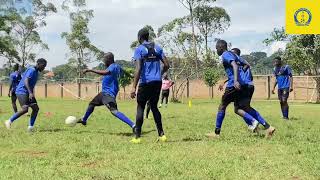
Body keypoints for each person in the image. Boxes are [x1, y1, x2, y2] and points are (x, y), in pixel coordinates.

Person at [206, 40, 274, 138]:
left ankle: (217, 133)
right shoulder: (236, 56)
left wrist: (235, 80)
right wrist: (240, 76)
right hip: (242, 86)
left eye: (217, 48)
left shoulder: (226, 54)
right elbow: (246, 64)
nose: (216, 50)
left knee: (222, 106)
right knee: (242, 108)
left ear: (221, 47)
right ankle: (268, 127)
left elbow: (234, 65)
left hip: (233, 85)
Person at [77, 52, 136, 131]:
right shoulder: (117, 66)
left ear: (109, 59)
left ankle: (133, 125)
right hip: (104, 93)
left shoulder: (112, 66)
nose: (104, 62)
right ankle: (84, 120)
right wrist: (131, 75)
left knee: (114, 111)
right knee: (92, 104)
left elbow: (106, 73)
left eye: (105, 60)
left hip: (108, 94)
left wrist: (90, 70)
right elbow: (124, 72)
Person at [130, 28, 170, 143]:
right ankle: (161, 135)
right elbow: (167, 64)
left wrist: (133, 87)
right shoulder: (158, 48)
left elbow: (138, 68)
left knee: (141, 107)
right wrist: (160, 74)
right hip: (157, 82)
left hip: (145, 82)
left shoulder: (139, 49)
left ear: (139, 38)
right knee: (154, 107)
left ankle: (137, 137)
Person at [231, 48, 275, 134]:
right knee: (246, 108)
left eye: (231, 53)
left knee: (237, 109)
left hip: (242, 86)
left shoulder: (234, 63)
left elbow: (233, 77)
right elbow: (250, 77)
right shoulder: (244, 63)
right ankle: (267, 127)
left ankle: (253, 123)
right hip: (250, 86)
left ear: (235, 54)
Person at [4, 59, 47, 132]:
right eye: (43, 66)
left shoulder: (35, 71)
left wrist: (30, 92)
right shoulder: (32, 70)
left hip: (27, 92)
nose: (43, 68)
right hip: (22, 91)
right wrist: (30, 93)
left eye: (45, 66)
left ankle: (30, 127)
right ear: (38, 64)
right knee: (25, 109)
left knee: (35, 108)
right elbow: (26, 81)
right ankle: (9, 121)